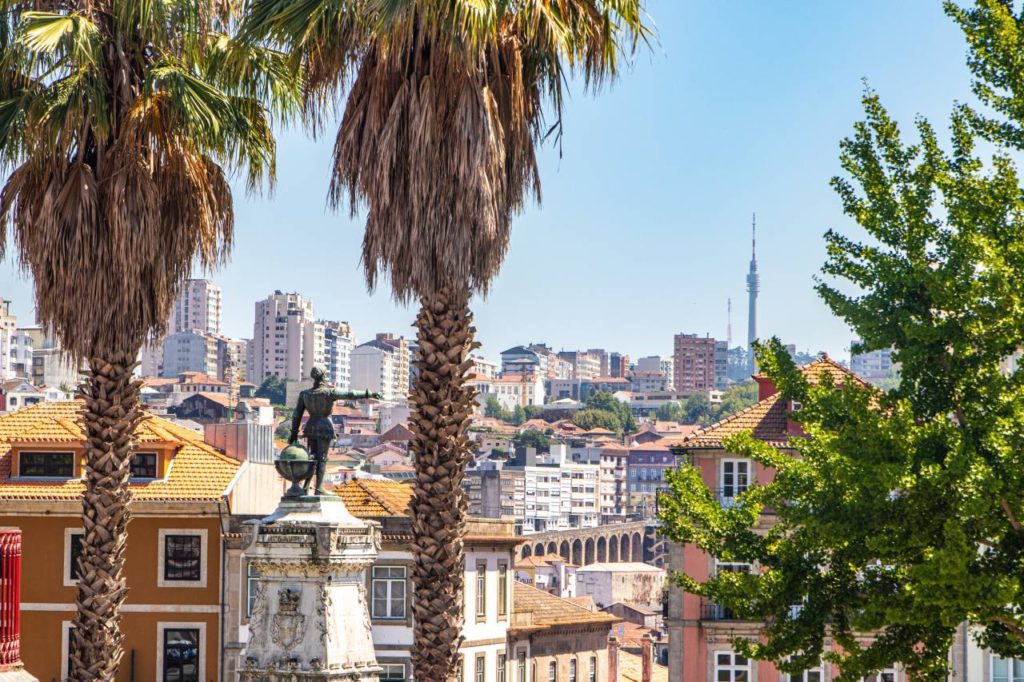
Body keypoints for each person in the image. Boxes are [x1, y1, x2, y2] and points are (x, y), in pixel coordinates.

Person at [288, 367, 371, 495]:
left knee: (311, 457)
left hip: (311, 426)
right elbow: (350, 394)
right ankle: (319, 488)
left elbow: (296, 415)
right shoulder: (329, 392)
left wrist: (294, 433)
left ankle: (306, 486)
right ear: (324, 376)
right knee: (322, 458)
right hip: (324, 427)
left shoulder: (305, 394)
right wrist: (367, 393)